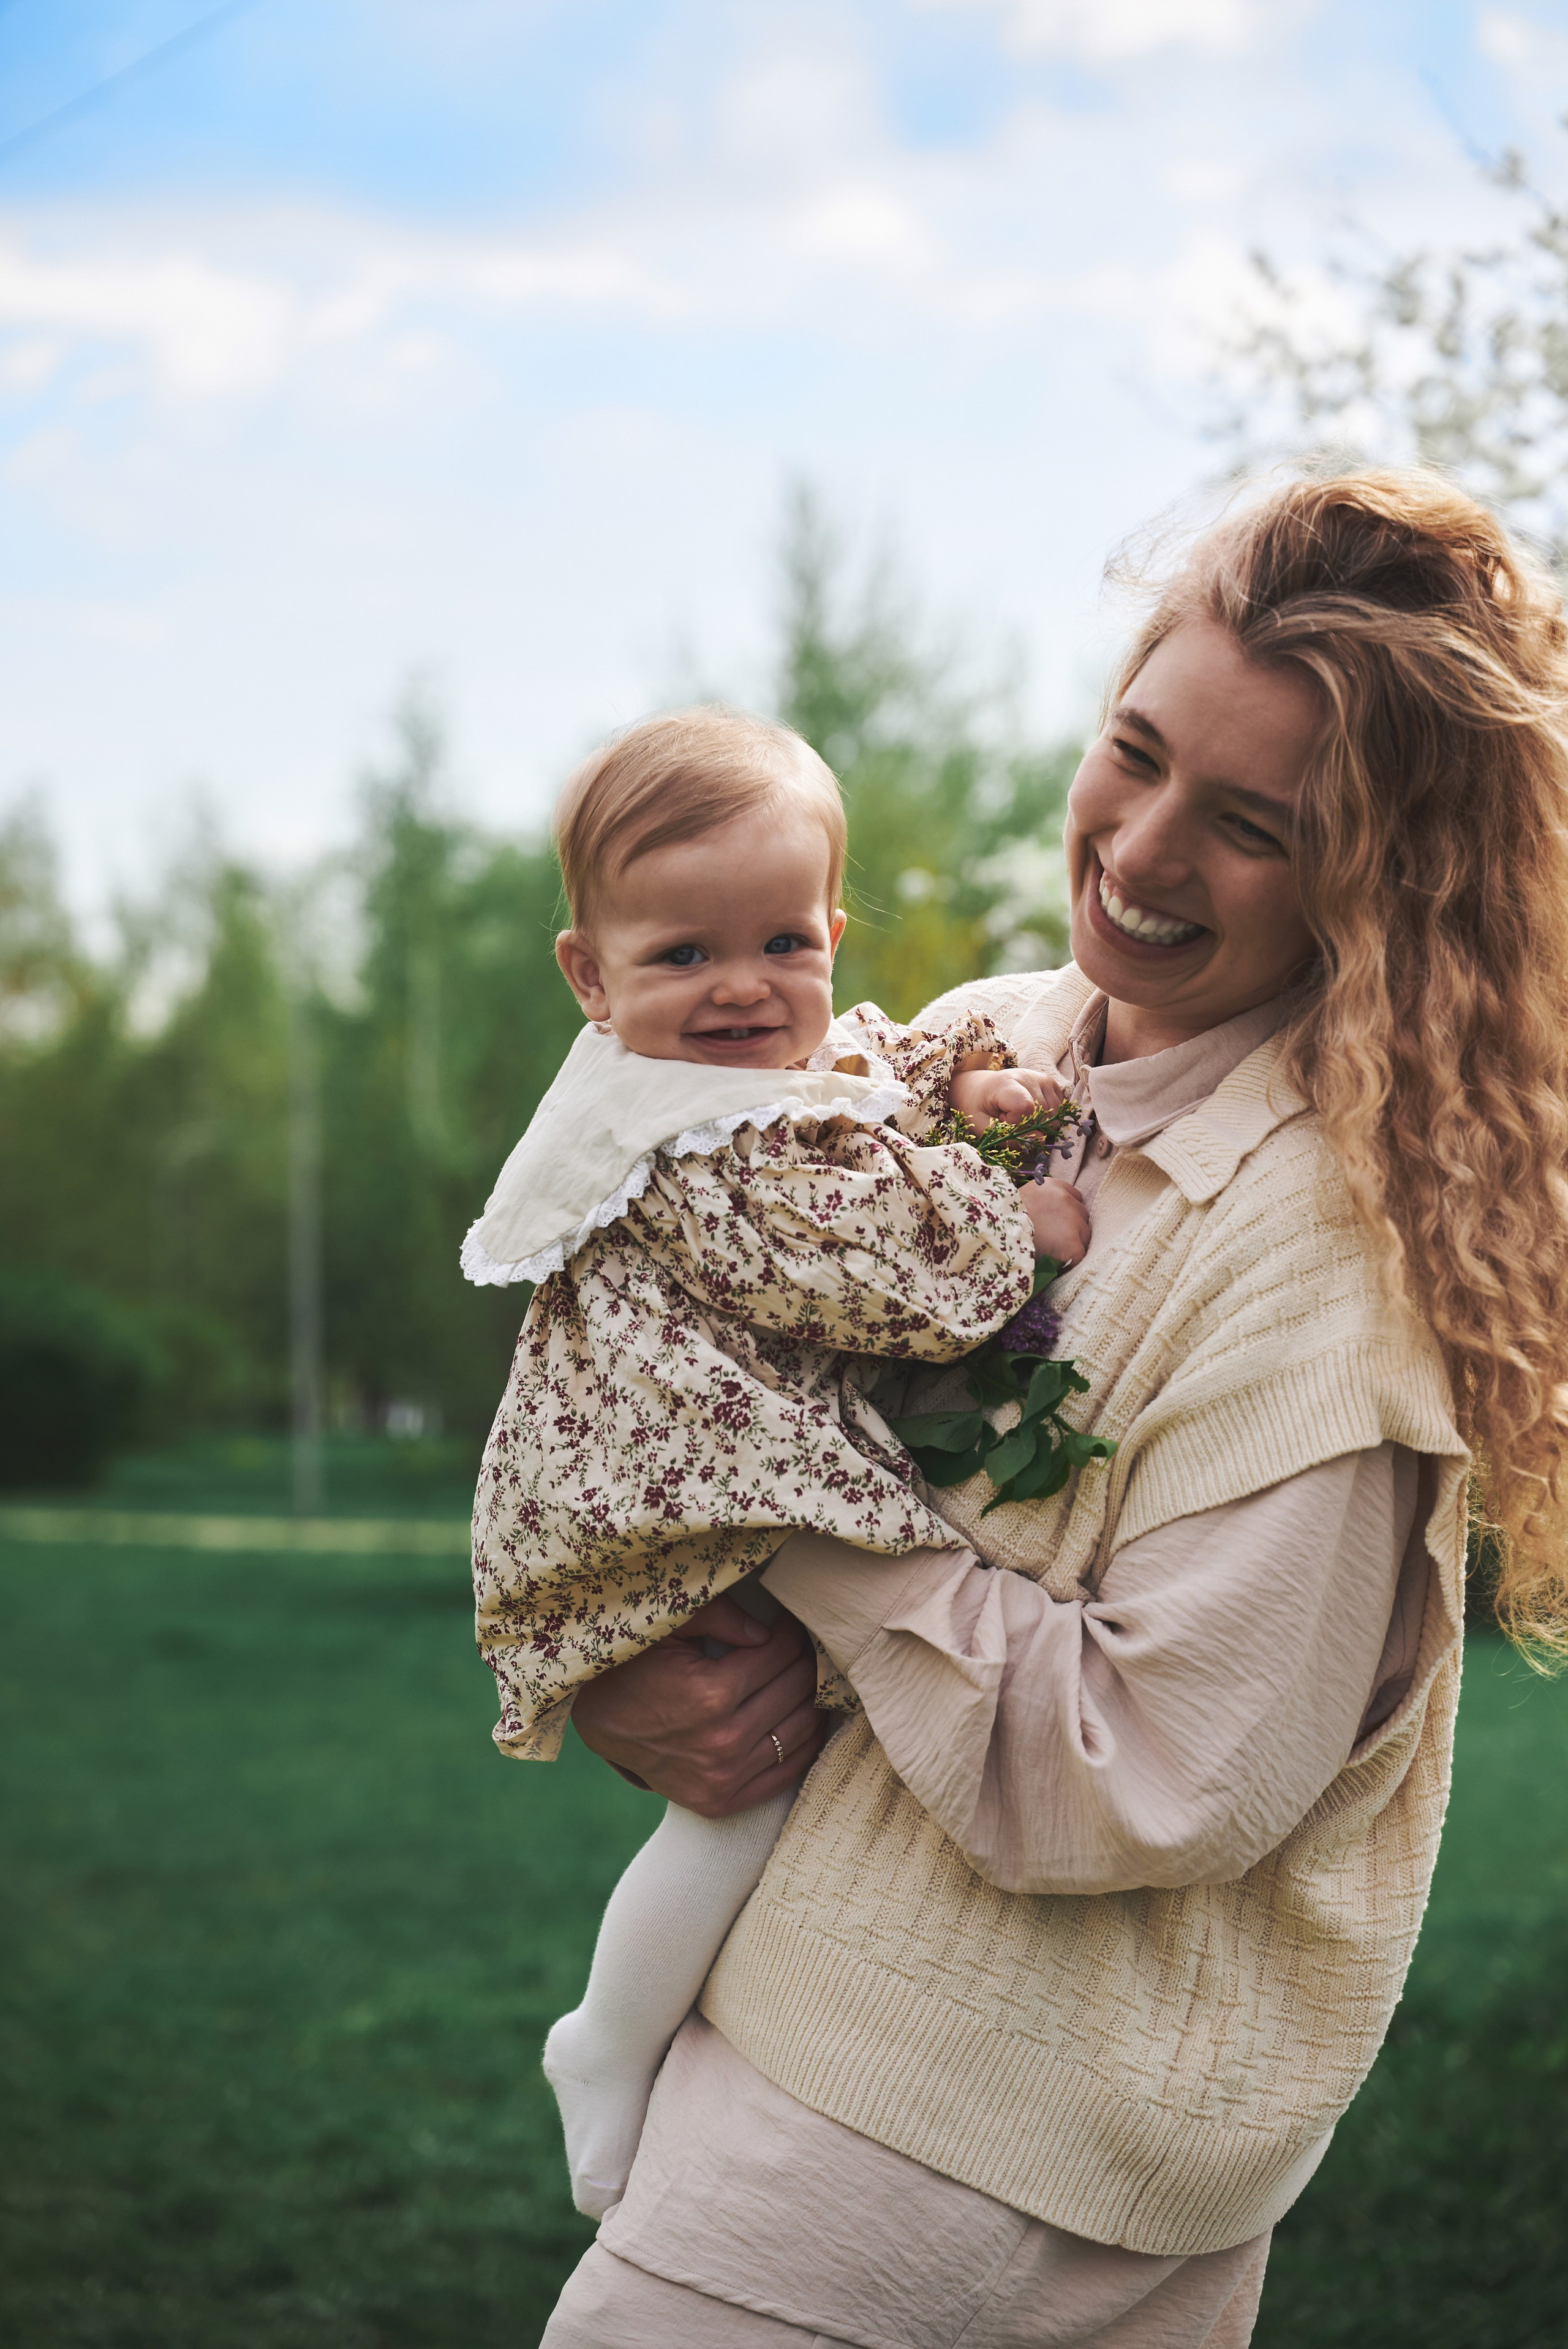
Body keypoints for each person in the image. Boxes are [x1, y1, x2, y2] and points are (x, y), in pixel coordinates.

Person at [541, 470, 1568, 2349]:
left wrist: (781, 1518)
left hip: (946, 2151)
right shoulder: (992, 1041)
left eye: (1253, 825)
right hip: (804, 2040)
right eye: (1138, 751)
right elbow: (685, 1309)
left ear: (1381, 876)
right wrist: (638, 1657)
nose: (1147, 850)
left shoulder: (1335, 1256)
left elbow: (1153, 1770)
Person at [463, 706, 1091, 2218]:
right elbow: (851, 1264)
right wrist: (1020, 1229)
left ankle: (700, 2030)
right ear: (589, 975)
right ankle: (605, 2038)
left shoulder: (748, 1075)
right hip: (669, 1500)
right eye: (683, 956)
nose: (745, 990)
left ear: (827, 930)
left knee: (767, 1776)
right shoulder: (687, 1139)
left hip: (694, 1484)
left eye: (785, 944)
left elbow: (860, 1071)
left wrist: (956, 1090)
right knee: (740, 1791)